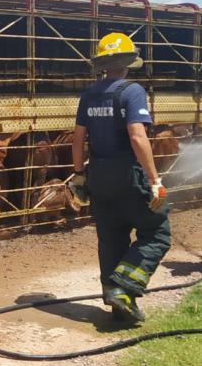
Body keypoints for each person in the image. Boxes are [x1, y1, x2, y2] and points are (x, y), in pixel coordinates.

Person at [71, 32, 170, 324]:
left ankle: (118, 306)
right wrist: (154, 179)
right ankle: (124, 288)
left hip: (98, 176)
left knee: (111, 238)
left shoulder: (88, 95)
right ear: (128, 61)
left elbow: (78, 140)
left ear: (102, 63)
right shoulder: (132, 90)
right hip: (129, 175)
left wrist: (79, 175)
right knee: (157, 233)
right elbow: (137, 136)